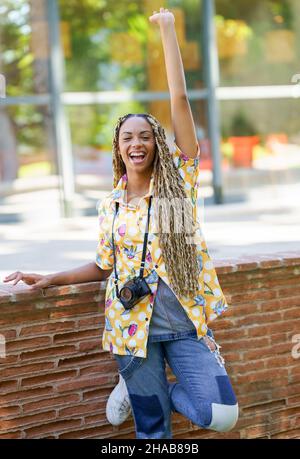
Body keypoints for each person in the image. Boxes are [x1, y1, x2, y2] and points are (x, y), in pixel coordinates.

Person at [3, 7, 238, 439]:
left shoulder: (179, 186)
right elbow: (105, 266)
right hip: (130, 329)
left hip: (184, 324)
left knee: (220, 414)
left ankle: (155, 388)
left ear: (157, 145)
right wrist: (52, 279)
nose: (137, 143)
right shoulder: (111, 204)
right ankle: (139, 386)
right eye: (128, 137)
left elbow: (180, 102)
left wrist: (167, 30)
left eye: (145, 136)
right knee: (151, 431)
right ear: (118, 148)